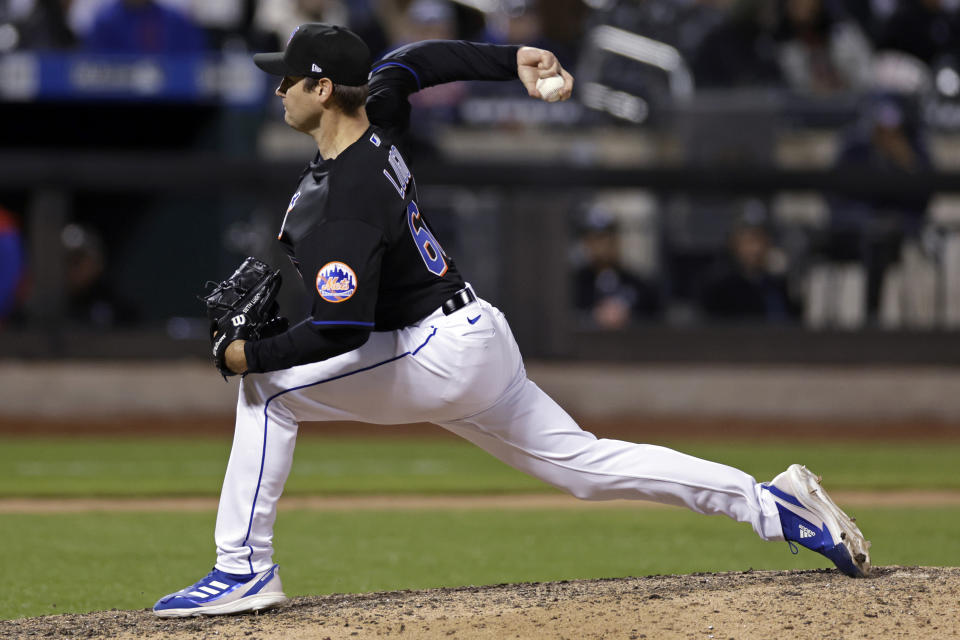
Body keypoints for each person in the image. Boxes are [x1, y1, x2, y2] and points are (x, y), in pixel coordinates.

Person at [152, 23, 870, 618]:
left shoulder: (346, 197)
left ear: (321, 90)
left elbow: (344, 329)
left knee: (270, 391)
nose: (277, 90)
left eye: (288, 78)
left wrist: (251, 354)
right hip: (475, 335)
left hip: (436, 350)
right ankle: (774, 506)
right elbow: (414, 61)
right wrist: (510, 59)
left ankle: (241, 570)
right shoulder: (380, 123)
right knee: (586, 466)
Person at [698, 208, 796, 322]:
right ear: (734, 243)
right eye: (748, 241)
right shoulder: (718, 287)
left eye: (760, 240)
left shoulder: (776, 285)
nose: (755, 249)